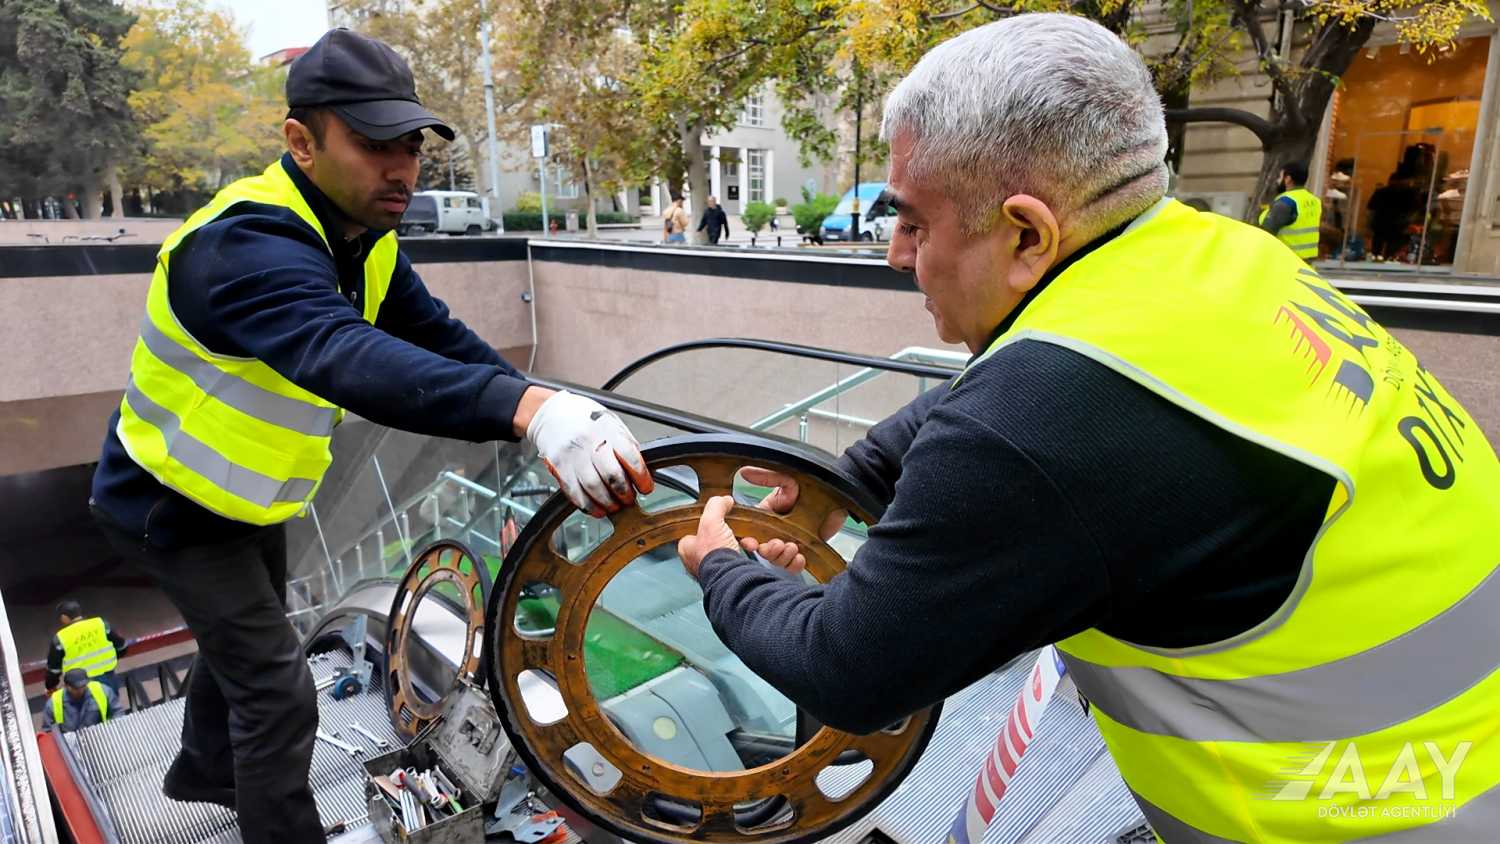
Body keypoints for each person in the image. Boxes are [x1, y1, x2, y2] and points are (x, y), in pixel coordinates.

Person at [676, 14, 1500, 842]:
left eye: (916, 223)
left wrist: (720, 568)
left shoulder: (1039, 426)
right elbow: (1015, 391)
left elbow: (847, 668)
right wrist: (855, 478)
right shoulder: (1213, 256)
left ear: (1029, 234)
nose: (898, 256)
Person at [88, 28, 653, 843]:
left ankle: (205, 768)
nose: (402, 167)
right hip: (168, 502)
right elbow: (343, 354)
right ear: (300, 141)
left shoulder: (362, 239)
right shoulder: (246, 244)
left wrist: (550, 402)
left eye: (411, 145)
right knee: (278, 694)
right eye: (373, 143)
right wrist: (528, 414)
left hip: (248, 493)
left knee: (244, 647)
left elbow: (435, 336)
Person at [45, 599, 127, 694]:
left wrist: (50, 685)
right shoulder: (101, 624)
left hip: (79, 686)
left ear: (64, 617)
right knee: (111, 705)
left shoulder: (60, 638)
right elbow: (122, 647)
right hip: (107, 678)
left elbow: (54, 670)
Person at [1258, 161, 1322, 263]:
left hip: (1286, 262)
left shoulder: (1285, 202)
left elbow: (1266, 233)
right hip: (1307, 263)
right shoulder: (1315, 201)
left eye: (1280, 177)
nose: (1278, 181)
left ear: (1288, 179)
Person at [41, 669, 122, 733]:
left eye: (83, 686)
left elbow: (118, 712)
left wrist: (111, 730)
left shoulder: (102, 691)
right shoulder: (53, 703)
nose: (81, 690)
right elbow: (48, 731)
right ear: (66, 686)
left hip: (100, 737)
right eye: (76, 688)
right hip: (70, 746)